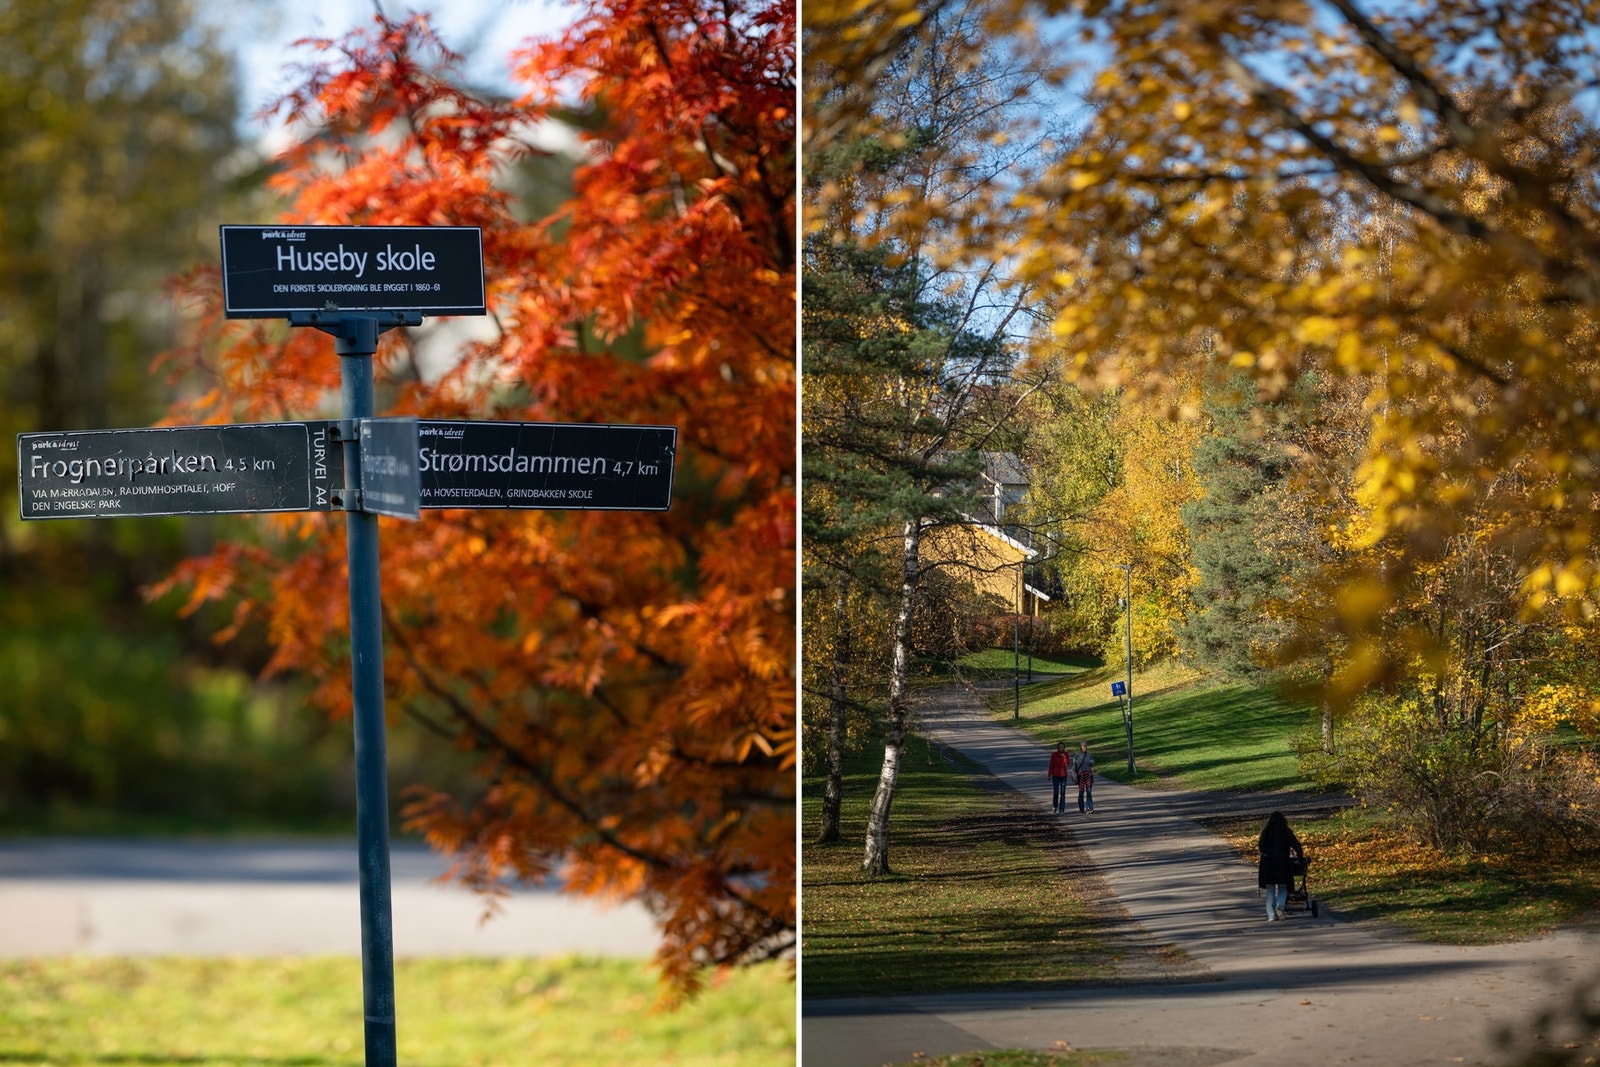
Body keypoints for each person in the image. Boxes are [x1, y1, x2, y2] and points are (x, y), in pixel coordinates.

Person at [1258, 810, 1303, 922]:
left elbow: (1261, 847)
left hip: (1268, 864)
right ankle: (1280, 907)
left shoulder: (1266, 832)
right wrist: (1300, 857)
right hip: (1282, 863)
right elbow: (1297, 845)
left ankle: (1271, 915)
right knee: (1283, 887)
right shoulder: (1286, 832)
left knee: (1270, 889)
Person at [1070, 740, 1095, 813]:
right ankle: (1081, 808)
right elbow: (1074, 767)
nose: (1085, 747)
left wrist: (1092, 763)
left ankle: (1090, 808)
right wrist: (1074, 777)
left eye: (1086, 746)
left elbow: (1092, 763)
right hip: (1080, 776)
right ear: (1080, 746)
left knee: (1089, 792)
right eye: (1084, 746)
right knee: (1081, 792)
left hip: (1088, 775)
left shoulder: (1089, 755)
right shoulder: (1077, 755)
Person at [1047, 741, 1071, 814]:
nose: (1061, 749)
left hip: (1064, 775)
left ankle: (1062, 809)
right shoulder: (1054, 755)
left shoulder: (1066, 754)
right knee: (1056, 792)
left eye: (1063, 747)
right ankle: (1055, 805)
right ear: (1058, 748)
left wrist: (1064, 757)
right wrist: (1049, 774)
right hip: (1055, 775)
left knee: (1063, 793)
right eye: (1060, 747)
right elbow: (1051, 765)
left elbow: (1067, 764)